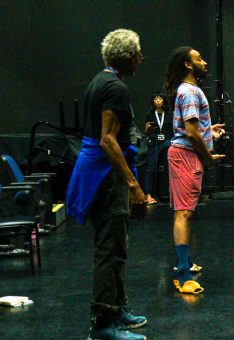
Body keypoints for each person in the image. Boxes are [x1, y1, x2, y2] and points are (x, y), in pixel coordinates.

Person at [65, 28, 148, 340]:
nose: (141, 59)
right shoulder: (115, 88)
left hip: (105, 172)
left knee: (117, 245)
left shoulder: (101, 81)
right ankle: (102, 324)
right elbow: (108, 141)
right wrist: (133, 186)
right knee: (109, 249)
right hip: (106, 176)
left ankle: (117, 309)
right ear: (128, 56)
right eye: (139, 53)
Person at [165, 46, 226, 295]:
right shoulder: (190, 92)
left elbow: (191, 129)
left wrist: (208, 131)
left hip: (186, 156)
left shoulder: (189, 90)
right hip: (186, 156)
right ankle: (183, 275)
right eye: (199, 59)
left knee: (185, 211)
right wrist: (209, 156)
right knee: (184, 214)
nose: (204, 62)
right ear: (188, 65)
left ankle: (186, 262)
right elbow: (190, 133)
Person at [142, 93, 173, 205]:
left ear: (164, 100)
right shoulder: (149, 114)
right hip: (155, 142)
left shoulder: (169, 114)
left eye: (160, 98)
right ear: (153, 101)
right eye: (155, 98)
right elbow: (146, 132)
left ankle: (173, 194)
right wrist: (147, 129)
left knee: (172, 167)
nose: (158, 101)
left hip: (167, 142)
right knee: (151, 168)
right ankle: (148, 195)